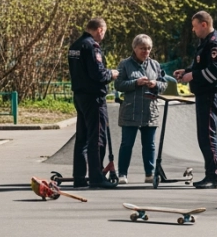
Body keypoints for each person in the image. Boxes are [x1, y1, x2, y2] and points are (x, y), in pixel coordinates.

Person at [174, 11, 217, 189]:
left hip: (211, 94)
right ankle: (209, 174)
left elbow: (214, 72)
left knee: (208, 135)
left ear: (204, 24)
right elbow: (200, 65)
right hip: (203, 94)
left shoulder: (214, 44)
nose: (193, 30)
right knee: (203, 136)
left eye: (195, 26)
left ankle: (215, 176)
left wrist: (192, 76)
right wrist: (186, 71)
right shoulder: (204, 43)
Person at [67, 17, 119, 189]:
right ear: (100, 30)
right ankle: (96, 177)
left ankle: (79, 176)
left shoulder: (75, 46)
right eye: (104, 32)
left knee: (82, 138)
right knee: (97, 137)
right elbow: (98, 73)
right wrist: (111, 74)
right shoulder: (92, 46)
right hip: (94, 97)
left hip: (79, 95)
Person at [114, 34, 165, 184]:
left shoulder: (155, 65)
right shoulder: (125, 64)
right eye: (142, 48)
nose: (146, 51)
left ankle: (150, 173)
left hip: (150, 111)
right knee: (126, 144)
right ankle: (122, 174)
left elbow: (163, 84)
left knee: (149, 145)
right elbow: (118, 85)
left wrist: (156, 84)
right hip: (130, 111)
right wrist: (135, 82)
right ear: (134, 48)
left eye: (148, 48)